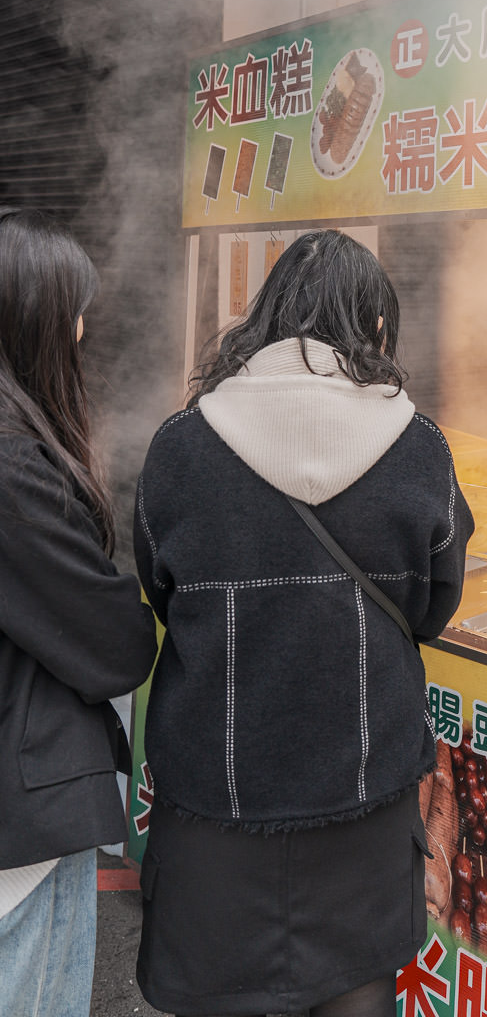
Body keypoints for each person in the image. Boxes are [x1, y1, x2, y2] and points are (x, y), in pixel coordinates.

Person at [134, 230, 474, 1017]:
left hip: (215, 809)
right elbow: (435, 606)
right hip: (364, 800)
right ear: (374, 329)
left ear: (267, 317)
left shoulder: (181, 445)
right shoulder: (418, 446)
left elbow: (161, 587)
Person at [0, 207, 159, 1017]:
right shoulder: (14, 473)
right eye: (73, 310)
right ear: (32, 322)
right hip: (21, 828)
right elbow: (116, 645)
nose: (85, 329)